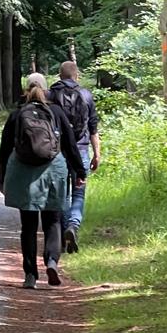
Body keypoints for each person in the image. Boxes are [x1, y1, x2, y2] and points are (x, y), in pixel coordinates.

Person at [0, 73, 83, 288]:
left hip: (24, 172)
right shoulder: (56, 112)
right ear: (46, 90)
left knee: (28, 225)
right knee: (53, 221)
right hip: (53, 170)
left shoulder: (17, 115)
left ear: (26, 89)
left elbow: (5, 149)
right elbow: (71, 146)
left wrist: (3, 178)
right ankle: (52, 261)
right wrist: (80, 171)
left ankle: (30, 275)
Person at [46, 60, 101, 254]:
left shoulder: (51, 94)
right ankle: (74, 226)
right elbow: (93, 127)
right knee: (78, 193)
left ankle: (61, 235)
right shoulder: (86, 95)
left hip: (58, 153)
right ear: (76, 75)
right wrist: (97, 153)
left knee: (62, 194)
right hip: (82, 150)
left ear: (59, 75)